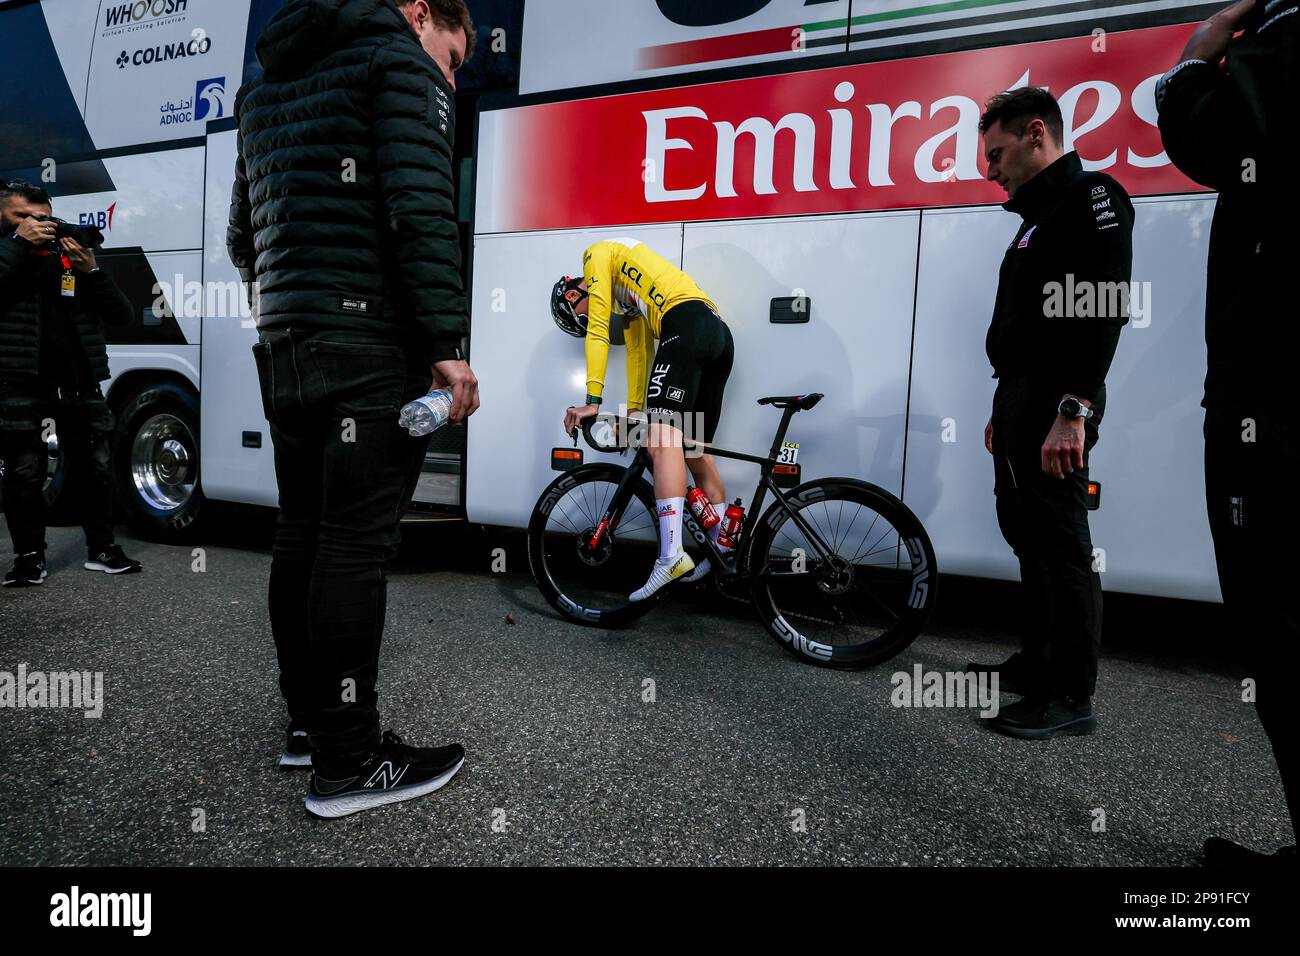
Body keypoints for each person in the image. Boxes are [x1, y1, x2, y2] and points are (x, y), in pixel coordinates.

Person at [227, 0, 481, 819]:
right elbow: (420, 211)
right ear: (419, 13)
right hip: (368, 349)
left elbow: (244, 236)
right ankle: (348, 764)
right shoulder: (394, 61)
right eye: (453, 53)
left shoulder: (263, 89)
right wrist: (445, 342)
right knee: (353, 548)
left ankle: (309, 724)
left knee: (300, 532)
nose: (451, 75)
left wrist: (291, 310)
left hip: (288, 345)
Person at [1157, 0, 1299, 865]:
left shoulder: (1285, 44)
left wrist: (1191, 63)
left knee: (1279, 632)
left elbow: (1214, 133)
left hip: (1274, 409)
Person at [968, 88, 1134, 739]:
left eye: (997, 153)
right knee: (1028, 539)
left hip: (1057, 404)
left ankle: (1069, 697)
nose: (990, 169)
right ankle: (1036, 662)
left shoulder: (1092, 198)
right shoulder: (1036, 216)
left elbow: (1102, 309)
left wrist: (1075, 409)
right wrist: (999, 408)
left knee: (1062, 548)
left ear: (1037, 133)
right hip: (1019, 399)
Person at [552, 238, 734, 599]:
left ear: (573, 295)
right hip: (716, 334)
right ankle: (723, 550)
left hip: (684, 325)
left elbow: (600, 327)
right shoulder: (629, 288)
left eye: (582, 316)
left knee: (662, 442)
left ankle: (670, 557)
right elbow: (639, 350)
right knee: (696, 451)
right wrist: (636, 410)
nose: (590, 319)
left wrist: (592, 400)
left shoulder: (596, 255)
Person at [0, 179, 141, 586]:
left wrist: (91, 270)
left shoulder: (67, 256)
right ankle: (29, 558)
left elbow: (123, 316)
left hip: (78, 381)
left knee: (95, 467)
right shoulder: (7, 254)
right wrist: (17, 244)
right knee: (25, 472)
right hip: (20, 381)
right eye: (22, 216)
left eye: (42, 218)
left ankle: (102, 549)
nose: (35, 224)